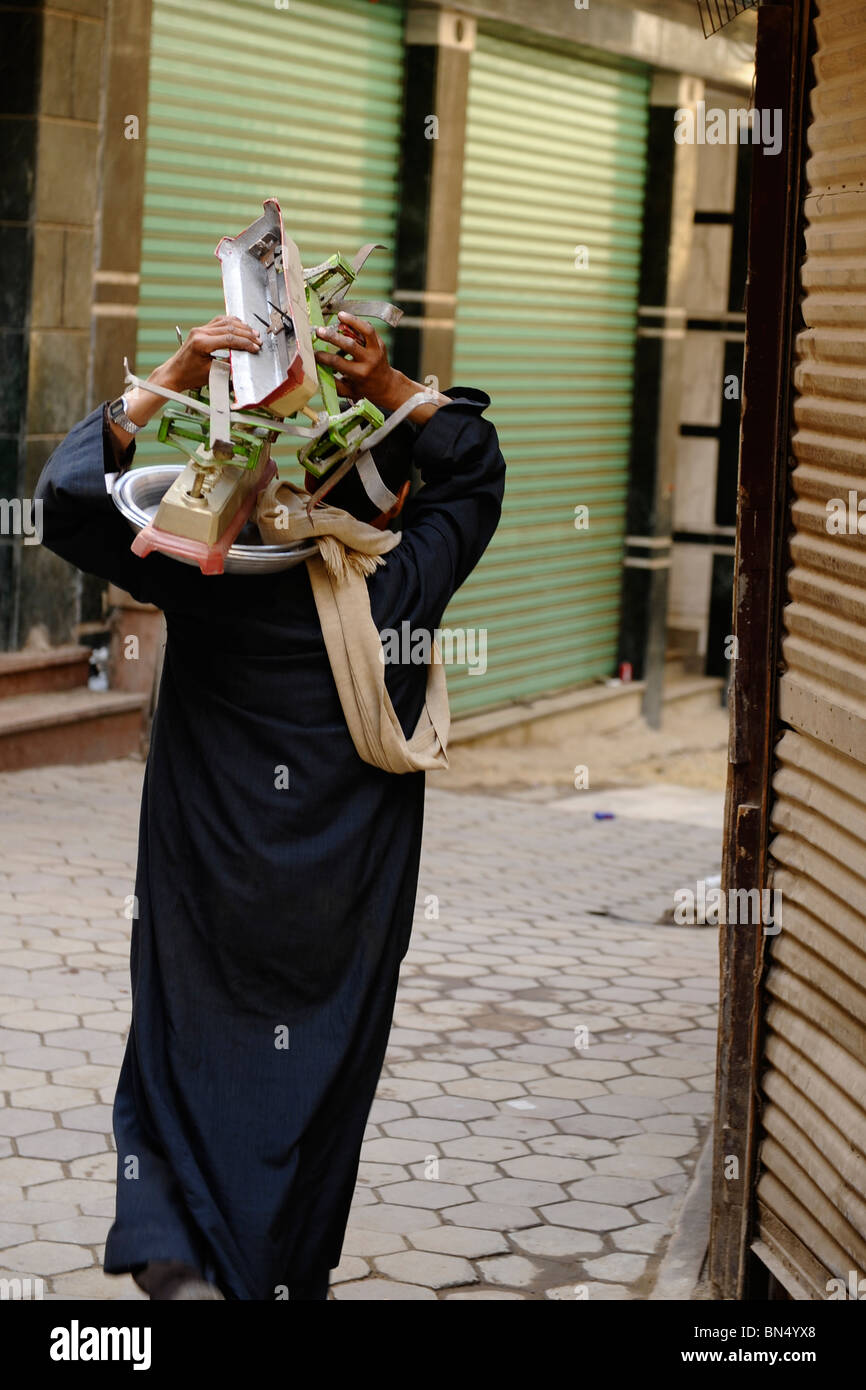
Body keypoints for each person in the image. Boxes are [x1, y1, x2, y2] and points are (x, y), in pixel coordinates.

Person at [34, 311, 506, 1300]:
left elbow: (72, 500)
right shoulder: (404, 587)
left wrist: (171, 372)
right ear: (392, 509)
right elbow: (471, 468)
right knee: (311, 1099)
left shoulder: (211, 585)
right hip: (340, 930)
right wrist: (383, 385)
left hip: (206, 905)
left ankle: (173, 1255)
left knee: (175, 1069)